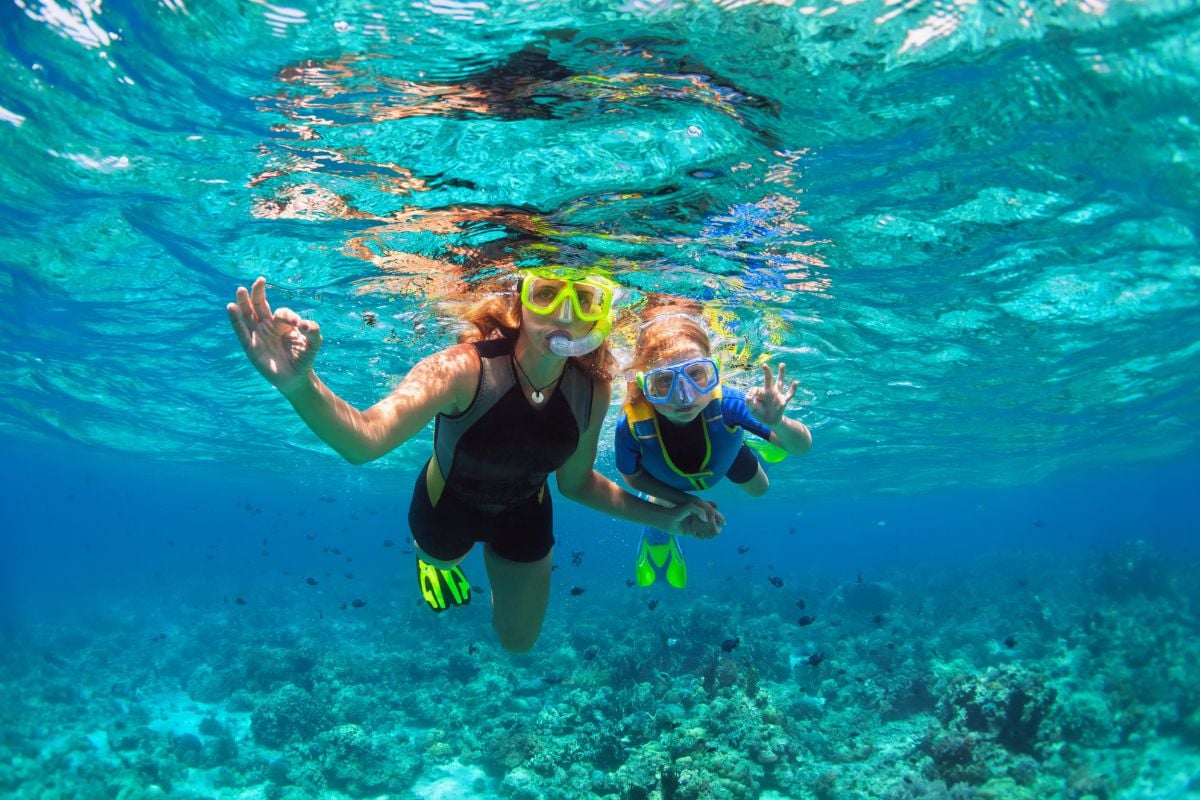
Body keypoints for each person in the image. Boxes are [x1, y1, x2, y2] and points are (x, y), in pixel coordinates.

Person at [227, 270, 719, 652]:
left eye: (585, 300)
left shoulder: (594, 386)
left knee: (518, 643)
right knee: (442, 558)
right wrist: (299, 385)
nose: (565, 316)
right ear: (520, 301)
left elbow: (576, 484)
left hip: (526, 511)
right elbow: (365, 441)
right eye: (547, 295)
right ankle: (434, 562)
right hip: (447, 505)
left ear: (600, 315)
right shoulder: (463, 367)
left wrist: (667, 517)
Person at [615, 301, 812, 589]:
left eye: (696, 374)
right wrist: (687, 503)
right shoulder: (632, 425)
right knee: (664, 504)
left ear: (715, 371)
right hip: (666, 479)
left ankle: (759, 436)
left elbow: (802, 447)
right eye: (664, 381)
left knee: (761, 490)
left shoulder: (730, 403)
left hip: (725, 454)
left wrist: (778, 423)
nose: (683, 397)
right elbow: (631, 477)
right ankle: (658, 534)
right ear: (645, 385)